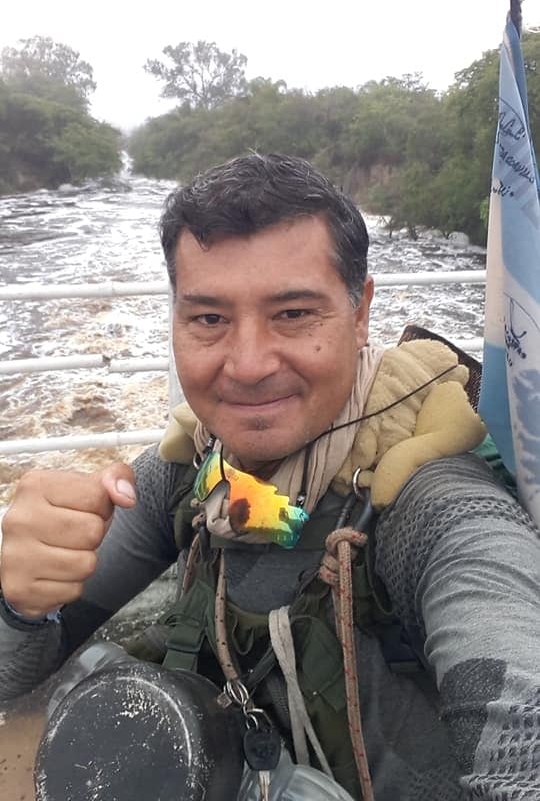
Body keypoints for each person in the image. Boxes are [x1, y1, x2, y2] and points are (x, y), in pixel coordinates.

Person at [1, 153, 539, 801]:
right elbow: (16, 669)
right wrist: (20, 603)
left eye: (293, 314)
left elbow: (521, 741)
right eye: (209, 319)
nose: (249, 365)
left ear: (361, 312)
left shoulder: (432, 505)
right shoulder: (195, 469)